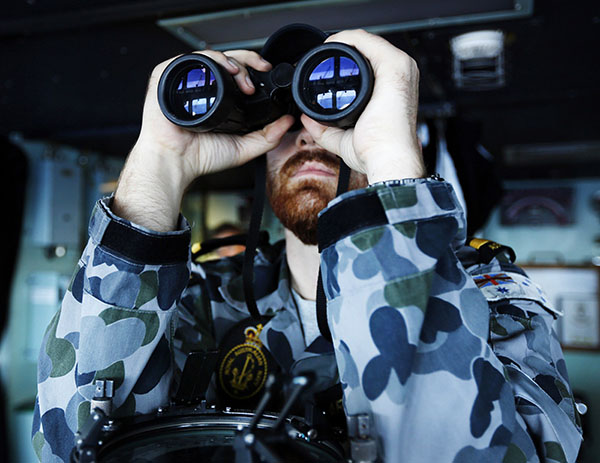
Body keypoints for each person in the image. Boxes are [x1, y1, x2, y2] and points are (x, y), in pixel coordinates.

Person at [32, 26, 582, 463]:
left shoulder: (492, 301)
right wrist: (158, 162)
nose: (305, 132)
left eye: (330, 108)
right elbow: (70, 444)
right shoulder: (200, 301)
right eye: (285, 114)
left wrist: (392, 157)